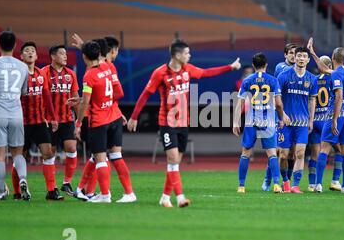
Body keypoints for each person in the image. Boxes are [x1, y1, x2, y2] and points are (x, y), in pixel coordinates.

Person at [127, 40, 241, 207]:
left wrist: (230, 67)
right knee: (173, 158)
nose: (189, 56)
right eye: (187, 53)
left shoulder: (188, 69)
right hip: (167, 122)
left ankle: (165, 197)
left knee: (175, 163)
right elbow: (145, 94)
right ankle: (180, 197)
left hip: (183, 122)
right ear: (177, 55)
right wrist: (134, 116)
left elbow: (207, 73)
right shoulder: (160, 73)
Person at [11, 41, 63, 200]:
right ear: (21, 56)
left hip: (40, 122)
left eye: (32, 50)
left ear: (36, 55)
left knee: (48, 153)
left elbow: (47, 97)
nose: (30, 52)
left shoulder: (41, 74)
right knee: (21, 157)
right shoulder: (18, 75)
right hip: (22, 123)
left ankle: (51, 191)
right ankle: (17, 192)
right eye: (26, 51)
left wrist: (53, 117)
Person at [74, 41, 124, 203]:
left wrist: (78, 123)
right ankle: (86, 190)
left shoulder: (89, 75)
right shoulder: (107, 67)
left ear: (84, 56)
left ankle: (104, 194)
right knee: (106, 156)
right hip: (112, 117)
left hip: (98, 120)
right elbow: (114, 92)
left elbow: (86, 102)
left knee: (99, 157)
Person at [233, 53, 290, 193]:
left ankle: (241, 186)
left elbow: (239, 103)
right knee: (272, 153)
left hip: (251, 120)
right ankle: (277, 184)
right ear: (266, 65)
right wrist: (281, 118)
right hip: (268, 121)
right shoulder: (273, 80)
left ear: (253, 65)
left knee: (245, 153)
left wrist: (235, 122)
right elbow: (278, 104)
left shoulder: (247, 80)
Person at [307, 38, 344, 193]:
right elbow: (325, 69)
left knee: (325, 149)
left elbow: (339, 96)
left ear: (333, 58)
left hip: (337, 114)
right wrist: (313, 53)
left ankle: (318, 184)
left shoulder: (336, 75)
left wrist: (334, 119)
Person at [277, 47, 317, 193]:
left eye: (303, 56)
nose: (300, 58)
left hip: (302, 123)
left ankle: (295, 185)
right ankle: (285, 181)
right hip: (285, 122)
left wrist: (311, 120)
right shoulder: (284, 76)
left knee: (300, 153)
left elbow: (312, 100)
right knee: (283, 155)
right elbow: (277, 97)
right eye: (298, 55)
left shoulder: (312, 79)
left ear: (308, 59)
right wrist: (282, 114)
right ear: (295, 57)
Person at [41, 45, 79, 196]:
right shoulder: (43, 73)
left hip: (67, 118)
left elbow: (76, 98)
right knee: (50, 153)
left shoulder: (70, 74)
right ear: (53, 56)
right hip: (49, 120)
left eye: (65, 53)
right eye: (62, 54)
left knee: (71, 148)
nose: (65, 56)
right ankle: (52, 188)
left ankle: (67, 182)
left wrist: (79, 122)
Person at [0, 31, 29, 201]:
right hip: (16, 114)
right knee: (18, 153)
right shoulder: (23, 66)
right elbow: (24, 92)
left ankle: (1, 191)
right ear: (15, 45)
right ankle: (23, 179)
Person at [262, 43, 297, 190]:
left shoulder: (300, 70)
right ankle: (268, 179)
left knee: (292, 154)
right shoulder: (281, 68)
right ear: (285, 55)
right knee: (276, 151)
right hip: (280, 114)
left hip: (296, 115)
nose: (294, 56)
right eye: (291, 53)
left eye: (296, 53)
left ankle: (286, 181)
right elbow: (276, 92)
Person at [308, 56, 343, 192]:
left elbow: (311, 100)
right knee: (339, 150)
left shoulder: (314, 80)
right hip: (327, 119)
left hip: (315, 119)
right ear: (330, 65)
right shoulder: (334, 78)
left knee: (315, 153)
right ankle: (335, 181)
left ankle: (312, 184)